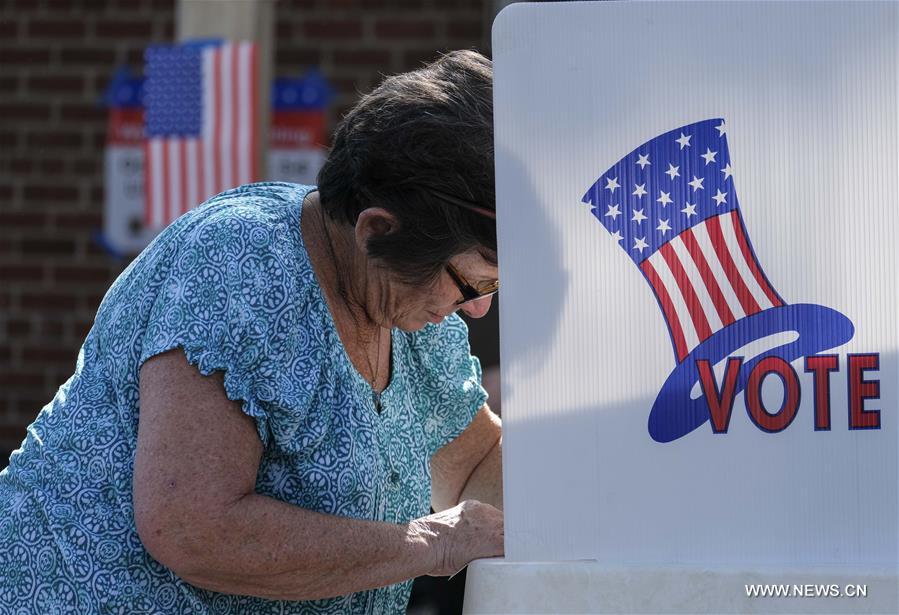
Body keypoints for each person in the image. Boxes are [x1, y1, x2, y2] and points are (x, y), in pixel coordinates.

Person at [0, 50, 503, 613]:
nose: (477, 310)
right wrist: (434, 544)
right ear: (376, 231)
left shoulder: (408, 303)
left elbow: (475, 463)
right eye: (472, 283)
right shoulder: (240, 264)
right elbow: (192, 527)